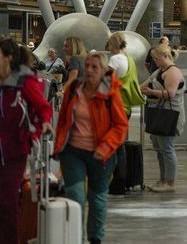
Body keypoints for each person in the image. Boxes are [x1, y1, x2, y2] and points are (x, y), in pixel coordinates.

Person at [54, 52, 128, 244]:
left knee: (97, 199)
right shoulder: (73, 90)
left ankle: (95, 239)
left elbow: (120, 126)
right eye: (87, 65)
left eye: (94, 67)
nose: (88, 70)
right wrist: (58, 145)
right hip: (73, 152)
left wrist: (105, 147)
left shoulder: (111, 94)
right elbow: (63, 119)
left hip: (101, 154)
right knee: (76, 197)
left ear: (104, 71)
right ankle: (76, 238)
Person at [0, 38, 53, 244]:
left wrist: (45, 123)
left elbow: (43, 107)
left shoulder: (23, 82)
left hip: (14, 152)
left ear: (8, 58)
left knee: (7, 202)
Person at [139, 43, 185, 193]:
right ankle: (163, 178)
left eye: (157, 59)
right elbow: (143, 86)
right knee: (159, 149)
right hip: (159, 113)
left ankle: (170, 182)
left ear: (165, 56)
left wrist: (150, 91)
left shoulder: (173, 72)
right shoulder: (160, 71)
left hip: (170, 115)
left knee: (167, 149)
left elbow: (170, 94)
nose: (155, 62)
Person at [106, 32, 144, 117]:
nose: (109, 48)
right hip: (127, 103)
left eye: (109, 45)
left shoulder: (114, 59)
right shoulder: (130, 60)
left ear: (113, 44)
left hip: (116, 103)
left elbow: (108, 81)